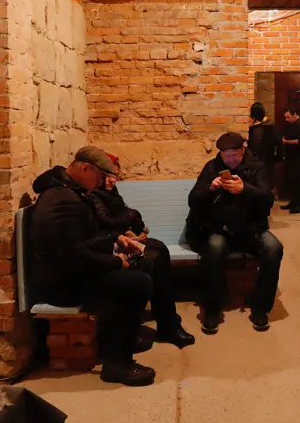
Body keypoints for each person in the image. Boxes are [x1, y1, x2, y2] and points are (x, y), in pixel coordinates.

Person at [28, 147, 156, 387]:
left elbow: (81, 242)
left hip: (69, 273)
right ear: (86, 168)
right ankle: (117, 365)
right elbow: (74, 257)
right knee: (138, 283)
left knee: (143, 266)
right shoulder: (62, 200)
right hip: (61, 284)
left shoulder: (69, 191)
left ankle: (121, 340)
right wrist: (115, 261)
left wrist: (116, 239)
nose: (100, 183)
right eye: (99, 176)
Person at [91, 154, 195, 349]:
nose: (112, 180)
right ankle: (166, 323)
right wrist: (131, 216)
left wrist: (132, 220)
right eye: (108, 175)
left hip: (117, 240)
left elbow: (122, 215)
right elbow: (106, 221)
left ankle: (167, 320)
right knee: (153, 257)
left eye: (115, 175)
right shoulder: (94, 194)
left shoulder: (110, 192)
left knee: (159, 250)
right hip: (108, 247)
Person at [186, 132, 283, 334]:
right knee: (214, 248)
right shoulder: (212, 167)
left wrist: (244, 189)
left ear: (243, 150)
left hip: (251, 230)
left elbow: (268, 199)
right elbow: (192, 200)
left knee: (274, 248)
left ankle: (260, 306)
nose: (230, 160)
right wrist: (210, 189)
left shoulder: (256, 167)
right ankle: (213, 308)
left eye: (234, 155)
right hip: (220, 229)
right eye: (226, 156)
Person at [280, 108, 300, 214]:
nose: (286, 119)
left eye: (288, 117)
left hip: (299, 158)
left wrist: (286, 141)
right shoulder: (291, 124)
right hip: (291, 158)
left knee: (298, 182)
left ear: (295, 114)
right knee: (292, 181)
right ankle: (293, 202)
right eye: (285, 117)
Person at [247, 102, 278, 171]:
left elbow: (255, 148)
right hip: (269, 161)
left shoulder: (257, 130)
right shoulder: (270, 126)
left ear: (253, 117)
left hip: (259, 163)